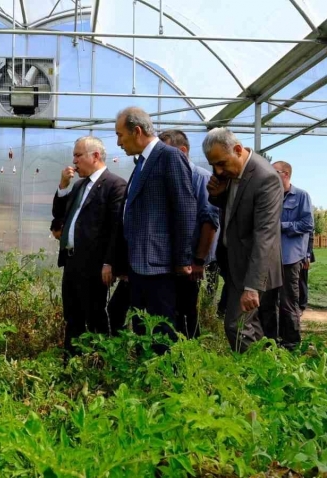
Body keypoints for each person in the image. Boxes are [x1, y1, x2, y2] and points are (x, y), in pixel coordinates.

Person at [116, 107, 197, 353]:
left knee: (161, 331)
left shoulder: (169, 156)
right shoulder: (142, 162)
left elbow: (185, 208)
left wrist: (183, 258)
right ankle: (146, 378)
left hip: (161, 263)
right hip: (139, 264)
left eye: (120, 135)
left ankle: (165, 382)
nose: (119, 142)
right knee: (142, 328)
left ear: (137, 131)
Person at [204, 127, 283, 352]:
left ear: (238, 150)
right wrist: (218, 195)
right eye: (214, 165)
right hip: (236, 263)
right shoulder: (233, 173)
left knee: (237, 326)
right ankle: (268, 373)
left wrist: (252, 287)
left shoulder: (265, 177)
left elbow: (265, 235)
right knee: (252, 328)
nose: (218, 170)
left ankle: (257, 376)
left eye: (221, 163)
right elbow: (236, 213)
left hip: (254, 267)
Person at [51, 136, 127, 355]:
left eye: (78, 155)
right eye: (74, 155)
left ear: (95, 156)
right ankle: (71, 362)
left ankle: (98, 363)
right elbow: (59, 215)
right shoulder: (78, 186)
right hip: (73, 261)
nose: (74, 161)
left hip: (95, 265)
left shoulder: (114, 185)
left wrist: (109, 262)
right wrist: (63, 187)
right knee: (72, 316)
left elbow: (116, 229)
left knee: (94, 316)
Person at [158, 129, 220, 339]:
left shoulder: (201, 178)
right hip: (169, 260)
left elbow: (209, 222)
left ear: (182, 151)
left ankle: (191, 355)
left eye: (166, 151)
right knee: (171, 311)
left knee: (186, 312)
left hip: (190, 262)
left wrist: (198, 260)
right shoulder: (167, 178)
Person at [259, 161, 313, 349]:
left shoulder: (301, 196)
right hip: (268, 258)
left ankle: (291, 344)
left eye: (274, 172)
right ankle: (269, 342)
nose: (270, 176)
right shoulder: (268, 196)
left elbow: (307, 225)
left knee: (288, 303)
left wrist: (282, 226)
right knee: (266, 302)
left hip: (290, 258)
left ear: (286, 174)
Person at [299, 232, 315, 312]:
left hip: (304, 255)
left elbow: (310, 237)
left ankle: (302, 305)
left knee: (302, 280)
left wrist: (308, 255)